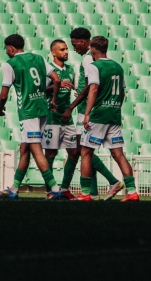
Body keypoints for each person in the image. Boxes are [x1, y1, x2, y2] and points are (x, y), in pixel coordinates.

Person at [0, 34, 67, 199]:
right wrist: (54, 101)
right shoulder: (39, 58)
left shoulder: (10, 64)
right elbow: (56, 80)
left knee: (35, 148)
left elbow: (4, 94)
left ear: (11, 48)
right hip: (42, 108)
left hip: (28, 111)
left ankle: (54, 188)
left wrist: (1, 108)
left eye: (6, 49)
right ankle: (14, 188)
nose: (6, 52)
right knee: (25, 148)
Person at [61, 28, 123, 200]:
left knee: (83, 150)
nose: (74, 49)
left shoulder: (89, 59)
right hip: (87, 107)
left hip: (86, 110)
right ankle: (93, 192)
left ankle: (112, 181)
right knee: (85, 151)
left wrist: (72, 106)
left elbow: (91, 85)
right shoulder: (89, 57)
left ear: (82, 42)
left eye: (74, 45)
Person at [78, 36, 139, 202]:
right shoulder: (118, 67)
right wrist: (116, 106)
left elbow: (94, 89)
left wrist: (88, 113)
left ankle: (85, 194)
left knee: (86, 152)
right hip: (114, 114)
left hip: (98, 115)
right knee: (118, 153)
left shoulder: (94, 66)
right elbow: (123, 92)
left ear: (93, 49)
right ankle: (132, 191)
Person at [42, 39, 79, 199]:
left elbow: (77, 88)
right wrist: (57, 85)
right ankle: (50, 190)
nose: (66, 52)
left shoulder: (71, 69)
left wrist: (78, 93)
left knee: (74, 152)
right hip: (52, 117)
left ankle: (64, 188)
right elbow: (41, 90)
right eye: (62, 50)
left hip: (67, 117)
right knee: (50, 154)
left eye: (67, 49)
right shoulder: (49, 70)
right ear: (53, 52)